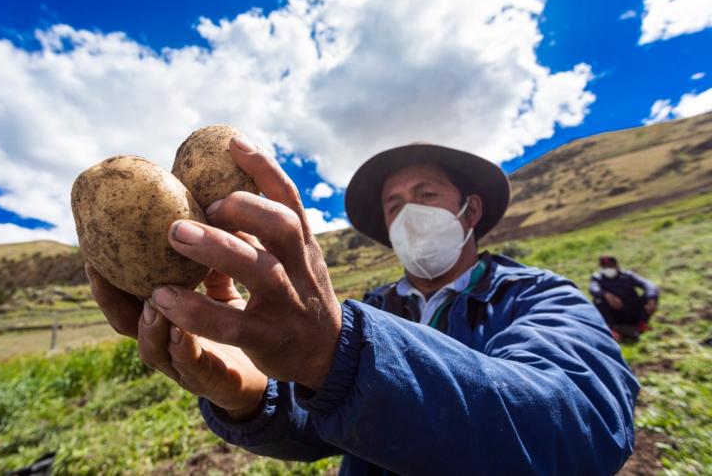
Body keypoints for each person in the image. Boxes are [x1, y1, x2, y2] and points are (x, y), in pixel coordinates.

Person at [86, 138, 639, 475]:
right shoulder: (376, 308)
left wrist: (337, 356)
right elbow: (321, 426)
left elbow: (583, 426)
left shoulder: (538, 297)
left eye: (425, 195)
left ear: (470, 211)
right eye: (394, 205)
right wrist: (250, 394)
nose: (408, 212)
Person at [589, 255, 659, 342]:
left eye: (610, 266)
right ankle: (611, 330)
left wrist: (651, 299)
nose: (608, 269)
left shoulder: (628, 276)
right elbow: (593, 289)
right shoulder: (598, 278)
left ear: (616, 265)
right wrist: (606, 295)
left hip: (632, 310)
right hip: (615, 314)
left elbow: (649, 285)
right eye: (605, 267)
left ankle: (641, 324)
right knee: (598, 301)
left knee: (651, 295)